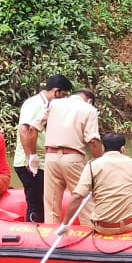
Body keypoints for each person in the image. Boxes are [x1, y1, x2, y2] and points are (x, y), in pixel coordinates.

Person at [60, 133, 132, 235]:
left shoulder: (92, 165)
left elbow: (77, 196)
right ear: (123, 149)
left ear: (103, 148)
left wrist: (65, 224)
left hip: (104, 227)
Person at [34, 88, 103, 225]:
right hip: (73, 158)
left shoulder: (53, 104)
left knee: (51, 203)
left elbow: (34, 127)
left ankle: (51, 232)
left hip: (50, 157)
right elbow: (93, 141)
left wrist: (32, 155)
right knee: (83, 198)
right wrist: (100, 162)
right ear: (90, 101)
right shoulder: (89, 110)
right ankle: (90, 231)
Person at [14, 74, 73, 223]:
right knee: (36, 204)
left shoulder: (49, 106)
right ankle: (33, 238)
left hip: (42, 162)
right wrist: (31, 157)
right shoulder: (34, 104)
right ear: (56, 92)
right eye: (63, 95)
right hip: (30, 163)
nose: (64, 100)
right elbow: (25, 129)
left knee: (43, 202)